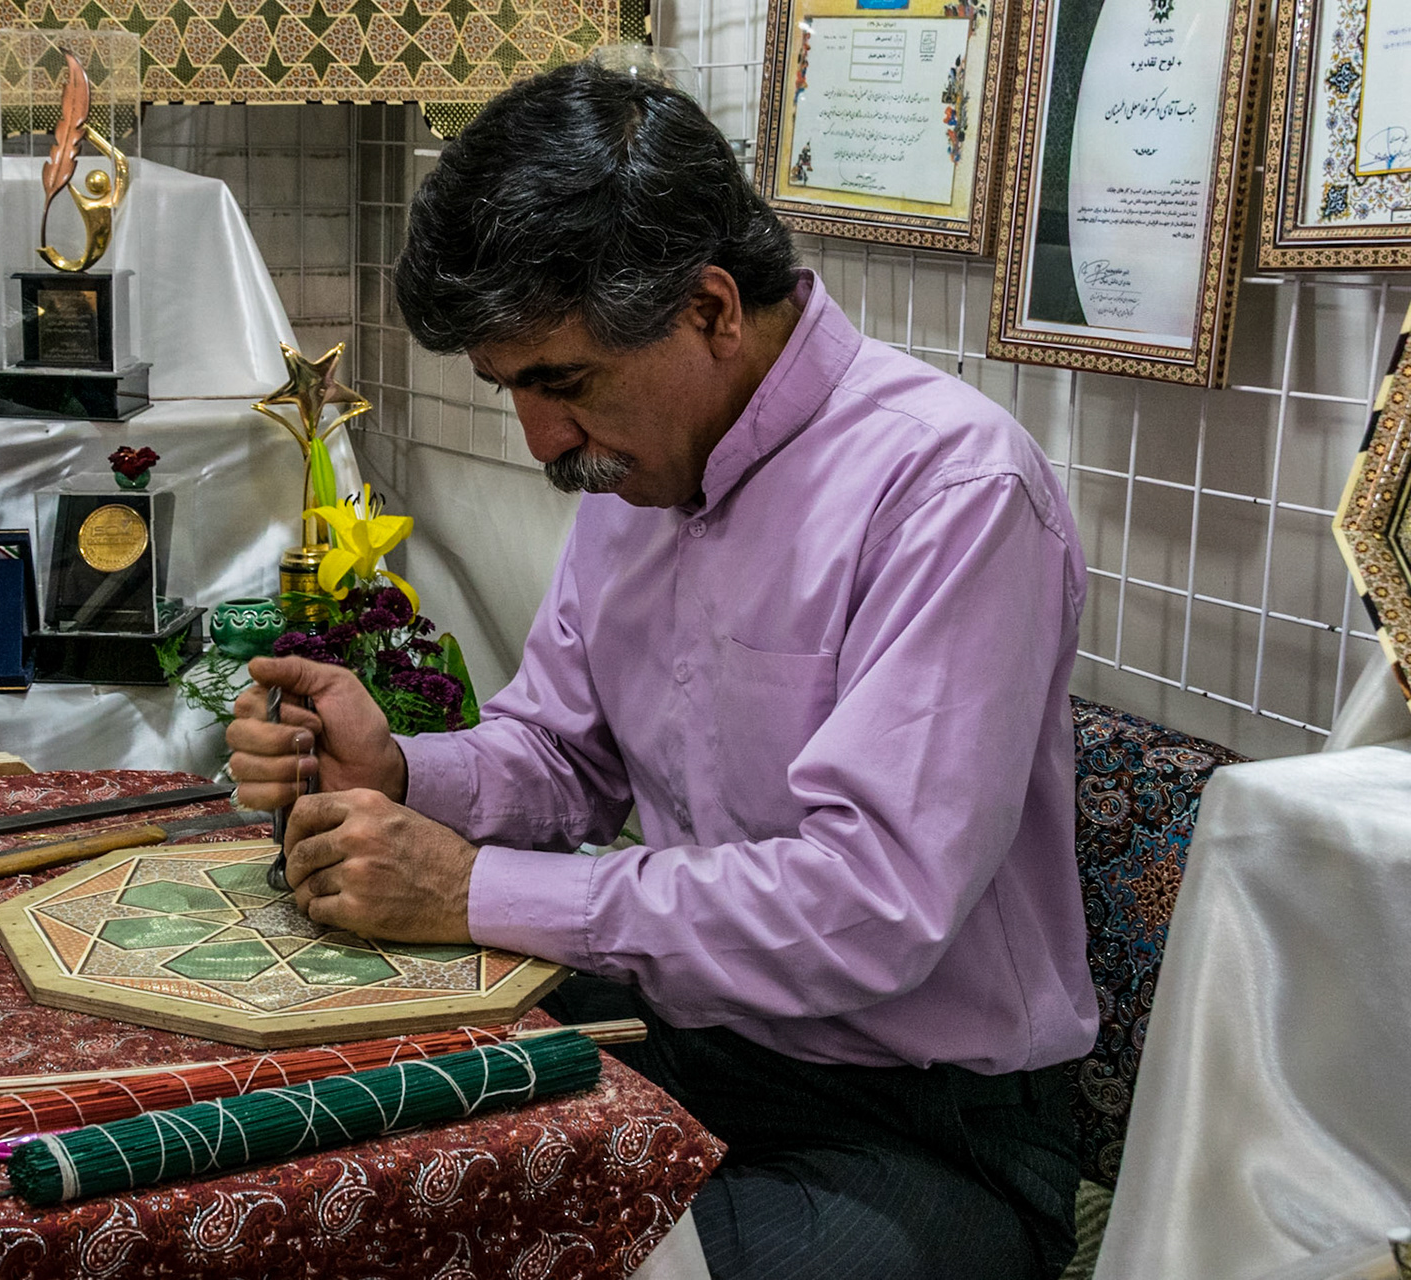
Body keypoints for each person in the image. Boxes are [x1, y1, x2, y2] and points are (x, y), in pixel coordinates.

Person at [226, 60, 1097, 1280]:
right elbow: (559, 757)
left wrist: (476, 889)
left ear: (711, 309)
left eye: (560, 381)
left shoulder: (949, 490)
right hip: (684, 1035)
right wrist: (400, 768)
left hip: (920, 1119)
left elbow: (872, 904)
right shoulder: (639, 462)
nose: (540, 441)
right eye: (508, 387)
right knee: (330, 1156)